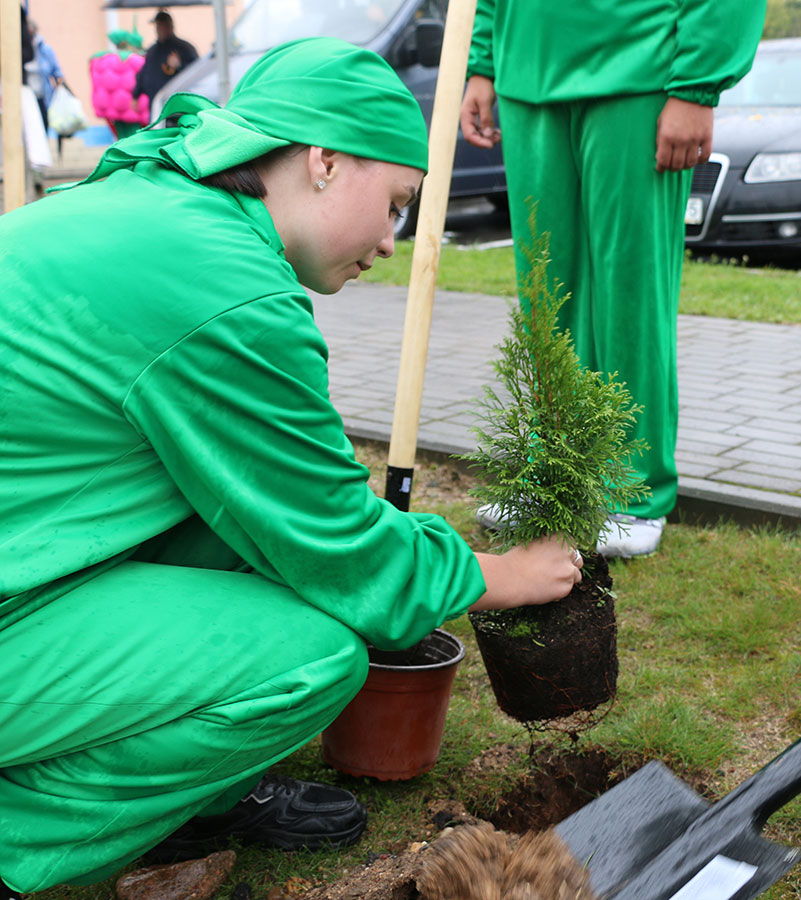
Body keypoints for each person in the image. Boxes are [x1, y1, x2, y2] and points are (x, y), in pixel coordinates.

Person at [0, 37, 583, 895]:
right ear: (323, 161)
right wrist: (502, 575)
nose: (391, 242)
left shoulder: (157, 206)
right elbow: (337, 541)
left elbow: (279, 501)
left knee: (238, 529)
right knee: (315, 656)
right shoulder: (224, 286)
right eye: (394, 205)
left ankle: (194, 799)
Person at [460, 1, 766, 557]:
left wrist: (697, 86)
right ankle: (555, 476)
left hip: (640, 64)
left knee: (630, 289)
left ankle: (632, 489)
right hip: (527, 65)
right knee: (545, 289)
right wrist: (481, 62)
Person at [90, 28, 149, 140]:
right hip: (134, 109)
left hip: (114, 110)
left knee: (121, 137)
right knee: (135, 139)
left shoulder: (101, 59)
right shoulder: (137, 59)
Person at [133, 9, 198, 105]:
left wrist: (179, 65)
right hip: (154, 102)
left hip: (176, 104)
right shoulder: (152, 50)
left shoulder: (184, 48)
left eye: (162, 25)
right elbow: (144, 73)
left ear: (170, 26)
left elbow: (197, 73)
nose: (159, 29)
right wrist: (135, 95)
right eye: (158, 26)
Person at [24, 18, 64, 131]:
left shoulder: (45, 50)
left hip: (43, 94)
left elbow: (56, 70)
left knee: (44, 122)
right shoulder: (21, 49)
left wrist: (59, 84)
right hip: (28, 94)